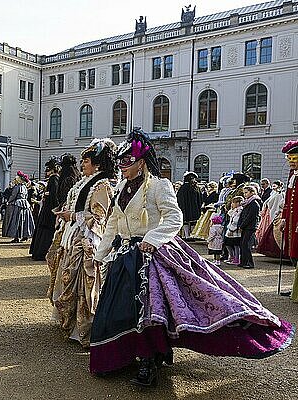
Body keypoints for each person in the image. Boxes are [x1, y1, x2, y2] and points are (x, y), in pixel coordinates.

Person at [89, 128, 293, 387]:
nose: (122, 167)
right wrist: (102, 252)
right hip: (125, 256)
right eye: (120, 162)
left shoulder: (159, 186)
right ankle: (122, 354)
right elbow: (113, 223)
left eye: (127, 161)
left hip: (152, 254)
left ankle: (150, 361)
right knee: (121, 309)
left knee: (151, 311)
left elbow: (174, 217)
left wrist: (153, 239)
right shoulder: (120, 189)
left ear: (141, 162)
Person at [51, 139, 116, 347]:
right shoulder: (84, 182)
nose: (82, 164)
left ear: (97, 163)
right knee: (68, 275)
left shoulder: (102, 185)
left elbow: (99, 217)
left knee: (85, 280)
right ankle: (71, 323)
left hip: (87, 238)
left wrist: (72, 216)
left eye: (86, 161)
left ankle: (84, 327)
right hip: (74, 234)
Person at [47, 153, 82, 307]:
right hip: (67, 216)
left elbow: (63, 197)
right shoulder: (74, 178)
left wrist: (63, 209)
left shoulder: (67, 178)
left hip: (71, 219)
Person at [30, 158, 60, 261]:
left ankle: (41, 252)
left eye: (48, 169)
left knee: (45, 231)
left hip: (48, 210)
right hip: (48, 209)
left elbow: (53, 195)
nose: (46, 172)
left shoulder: (54, 179)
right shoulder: (54, 179)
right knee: (45, 231)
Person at [279, 140, 298, 300]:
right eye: (289, 158)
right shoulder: (292, 175)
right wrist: (284, 218)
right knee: (292, 254)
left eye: (294, 159)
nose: (291, 162)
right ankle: (294, 287)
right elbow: (288, 200)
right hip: (291, 222)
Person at [2, 171, 35, 243]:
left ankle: (16, 237)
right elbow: (26, 196)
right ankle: (25, 235)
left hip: (17, 204)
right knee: (25, 221)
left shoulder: (17, 187)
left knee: (16, 221)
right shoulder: (25, 187)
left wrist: (9, 201)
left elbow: (13, 196)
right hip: (25, 204)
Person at [256, 180, 285, 258]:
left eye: (275, 186)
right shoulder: (273, 193)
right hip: (268, 212)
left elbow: (277, 204)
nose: (274, 187)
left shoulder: (279, 194)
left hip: (274, 212)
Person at [238, 184, 262, 269]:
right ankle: (243, 261)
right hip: (245, 226)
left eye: (246, 192)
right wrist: (240, 224)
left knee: (246, 244)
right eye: (244, 193)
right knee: (242, 244)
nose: (244, 194)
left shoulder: (254, 203)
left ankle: (250, 263)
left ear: (252, 192)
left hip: (250, 227)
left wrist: (242, 225)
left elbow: (250, 217)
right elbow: (243, 215)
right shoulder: (247, 202)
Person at [176, 171, 202, 239]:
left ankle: (187, 236)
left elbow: (179, 199)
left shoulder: (182, 188)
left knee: (186, 222)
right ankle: (192, 235)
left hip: (185, 208)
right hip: (194, 208)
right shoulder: (196, 187)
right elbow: (200, 199)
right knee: (193, 221)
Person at [224, 196, 244, 265]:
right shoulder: (235, 209)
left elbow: (236, 220)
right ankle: (231, 256)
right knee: (227, 243)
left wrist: (232, 227)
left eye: (233, 203)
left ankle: (236, 258)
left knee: (236, 245)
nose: (232, 204)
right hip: (230, 229)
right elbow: (230, 214)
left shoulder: (240, 210)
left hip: (235, 230)